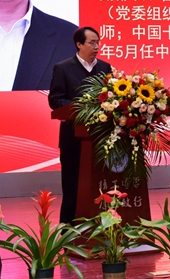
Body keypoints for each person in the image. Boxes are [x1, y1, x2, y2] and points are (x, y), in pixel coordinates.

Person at [48, 26, 112, 224]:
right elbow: (55, 100)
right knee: (72, 188)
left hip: (100, 139)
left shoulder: (105, 68)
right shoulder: (63, 68)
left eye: (98, 42)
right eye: (92, 42)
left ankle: (101, 226)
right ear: (79, 44)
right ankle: (69, 230)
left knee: (100, 186)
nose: (97, 46)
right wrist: (82, 107)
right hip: (73, 139)